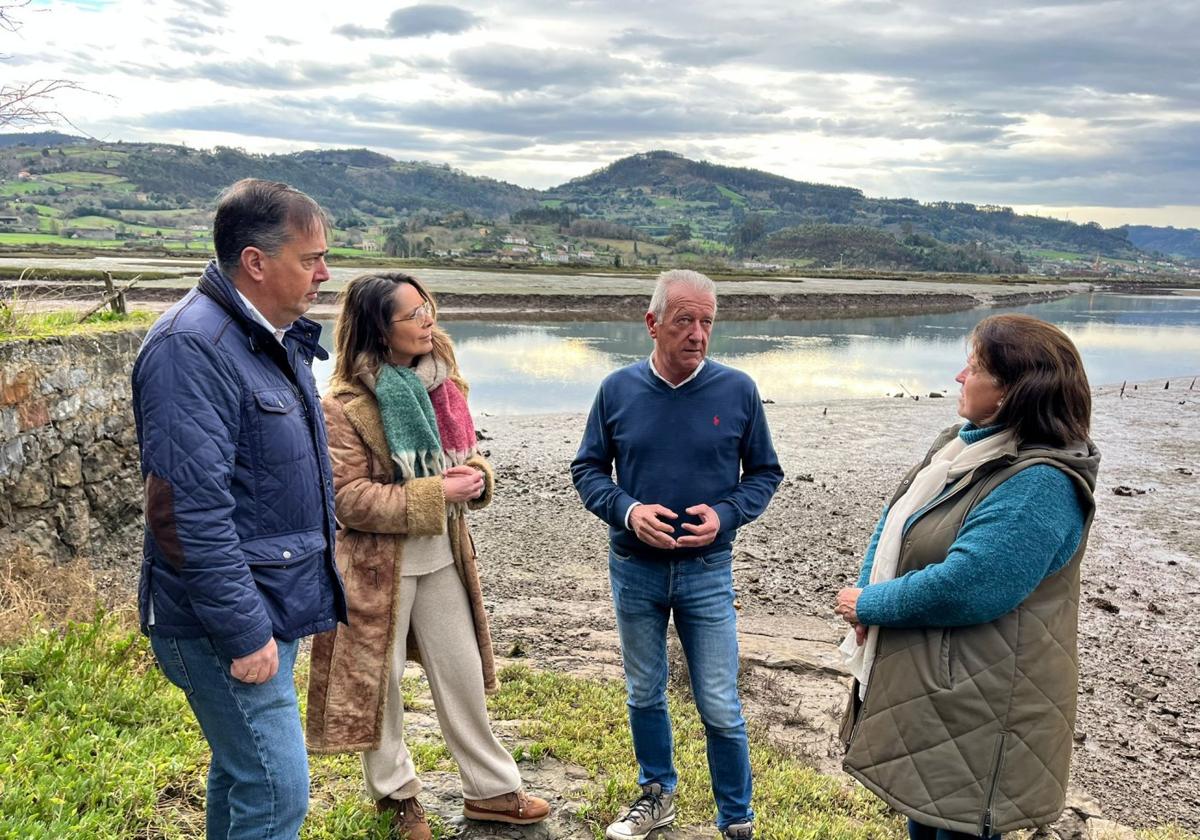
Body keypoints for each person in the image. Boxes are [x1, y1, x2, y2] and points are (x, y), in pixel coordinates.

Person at [132, 179, 347, 840]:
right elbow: (185, 512)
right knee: (278, 789)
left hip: (264, 602)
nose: (324, 272)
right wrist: (244, 629)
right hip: (225, 621)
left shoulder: (261, 338)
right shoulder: (190, 347)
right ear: (256, 262)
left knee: (241, 774)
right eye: (310, 258)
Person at [835, 314, 1101, 840]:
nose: (959, 376)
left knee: (957, 829)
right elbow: (897, 520)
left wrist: (871, 605)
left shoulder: (1039, 485)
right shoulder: (957, 448)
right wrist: (868, 591)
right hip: (939, 689)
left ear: (1011, 393)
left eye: (974, 367)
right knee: (925, 819)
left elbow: (969, 584)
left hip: (987, 704)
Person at [305, 272, 550, 839]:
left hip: (442, 556)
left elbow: (471, 458)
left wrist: (477, 479)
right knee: (381, 685)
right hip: (374, 568)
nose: (427, 321)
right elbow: (347, 499)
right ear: (378, 329)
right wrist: (436, 492)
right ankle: (396, 798)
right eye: (412, 315)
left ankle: (490, 790)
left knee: (462, 672)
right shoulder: (342, 405)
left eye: (428, 308)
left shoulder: (444, 385)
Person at [571, 269, 783, 840]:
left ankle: (736, 820)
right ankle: (656, 794)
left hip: (707, 573)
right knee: (644, 691)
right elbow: (587, 470)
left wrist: (727, 515)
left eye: (707, 321)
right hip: (634, 569)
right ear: (652, 323)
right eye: (684, 320)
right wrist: (628, 511)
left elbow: (764, 473)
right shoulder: (617, 389)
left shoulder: (737, 389)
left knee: (719, 703)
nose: (697, 333)